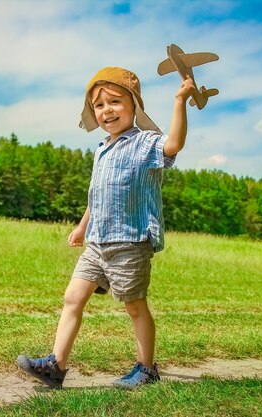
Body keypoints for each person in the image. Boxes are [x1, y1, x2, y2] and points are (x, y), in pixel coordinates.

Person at [18, 66, 195, 389]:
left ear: (134, 106)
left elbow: (174, 145)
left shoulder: (145, 143)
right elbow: (97, 195)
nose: (106, 111)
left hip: (129, 242)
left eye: (114, 102)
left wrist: (180, 101)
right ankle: (56, 366)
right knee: (73, 297)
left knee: (134, 306)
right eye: (99, 105)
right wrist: (82, 226)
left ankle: (146, 367)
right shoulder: (101, 149)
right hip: (97, 243)